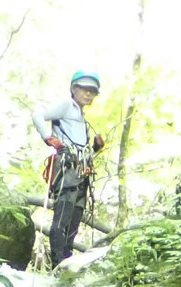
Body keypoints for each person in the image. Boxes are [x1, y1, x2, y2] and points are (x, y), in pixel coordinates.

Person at [30, 71, 107, 265]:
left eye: (92, 91)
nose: (88, 94)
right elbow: (38, 114)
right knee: (62, 221)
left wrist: (95, 148)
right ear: (73, 89)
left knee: (74, 222)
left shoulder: (82, 120)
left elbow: (82, 151)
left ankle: (66, 264)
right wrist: (48, 137)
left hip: (81, 173)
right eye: (84, 89)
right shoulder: (66, 105)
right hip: (66, 171)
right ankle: (57, 266)